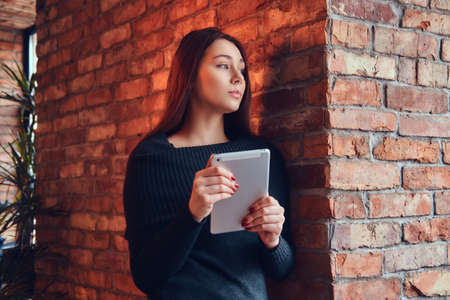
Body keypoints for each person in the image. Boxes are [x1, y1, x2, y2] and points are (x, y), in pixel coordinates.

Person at [122, 27, 295, 300]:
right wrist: (193, 214)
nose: (239, 79)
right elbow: (145, 275)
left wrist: (272, 240)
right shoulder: (151, 158)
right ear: (189, 76)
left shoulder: (262, 154)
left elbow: (282, 269)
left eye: (242, 69)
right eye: (224, 66)